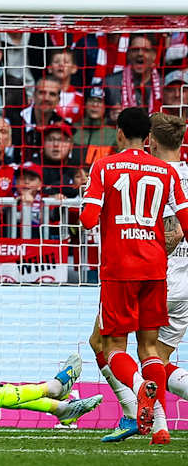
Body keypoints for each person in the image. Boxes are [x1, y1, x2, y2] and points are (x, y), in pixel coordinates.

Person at [79, 107, 188, 440]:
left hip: (121, 268)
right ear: (148, 137)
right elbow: (185, 223)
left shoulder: (104, 166)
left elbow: (88, 219)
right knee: (150, 350)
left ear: (119, 133)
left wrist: (91, 200)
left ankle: (138, 389)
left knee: (111, 346)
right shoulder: (165, 172)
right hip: (156, 269)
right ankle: (160, 427)